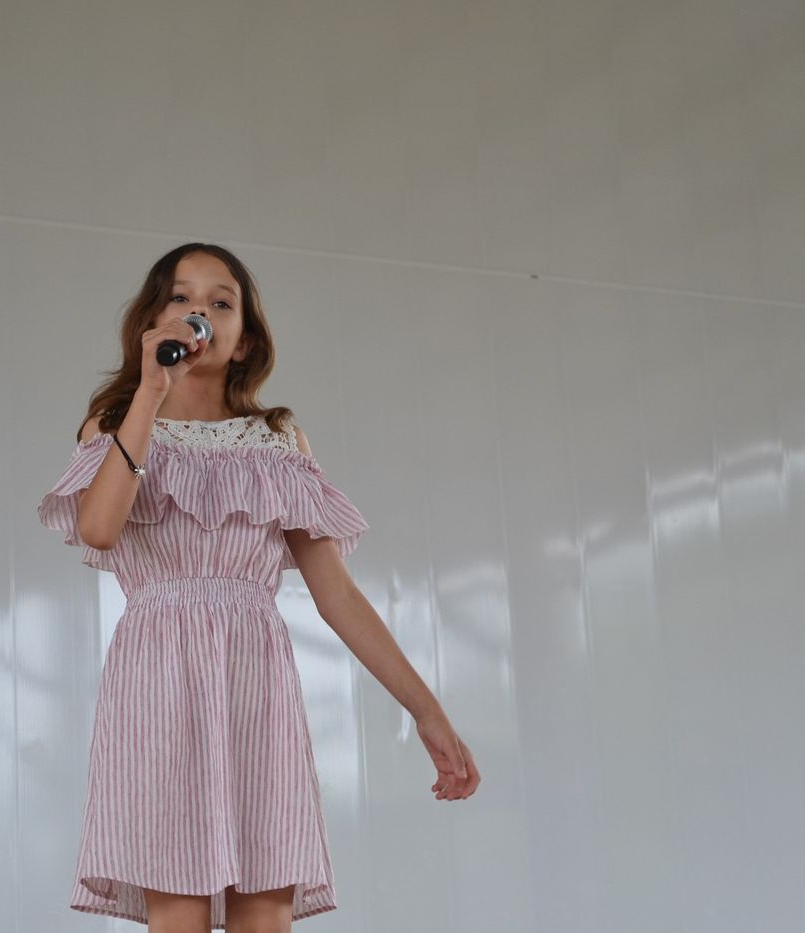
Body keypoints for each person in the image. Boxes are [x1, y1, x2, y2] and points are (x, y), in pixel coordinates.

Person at [38, 242, 480, 932]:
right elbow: (98, 529)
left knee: (266, 911)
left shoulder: (277, 442)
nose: (199, 312)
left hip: (256, 684)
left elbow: (337, 595)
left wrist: (426, 711)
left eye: (221, 302)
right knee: (177, 910)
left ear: (244, 340)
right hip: (158, 684)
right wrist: (149, 394)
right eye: (181, 297)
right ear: (153, 323)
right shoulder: (117, 427)